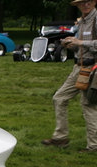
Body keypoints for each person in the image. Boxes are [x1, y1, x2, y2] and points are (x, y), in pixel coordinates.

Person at [42, 0, 97, 152]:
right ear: (78, 5)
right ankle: (61, 138)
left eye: (88, 1)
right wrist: (70, 45)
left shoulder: (96, 19)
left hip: (92, 68)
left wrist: (79, 42)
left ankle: (93, 146)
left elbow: (86, 44)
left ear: (94, 2)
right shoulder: (81, 22)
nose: (85, 5)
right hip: (79, 68)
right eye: (81, 3)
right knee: (59, 98)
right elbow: (80, 46)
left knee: (88, 105)